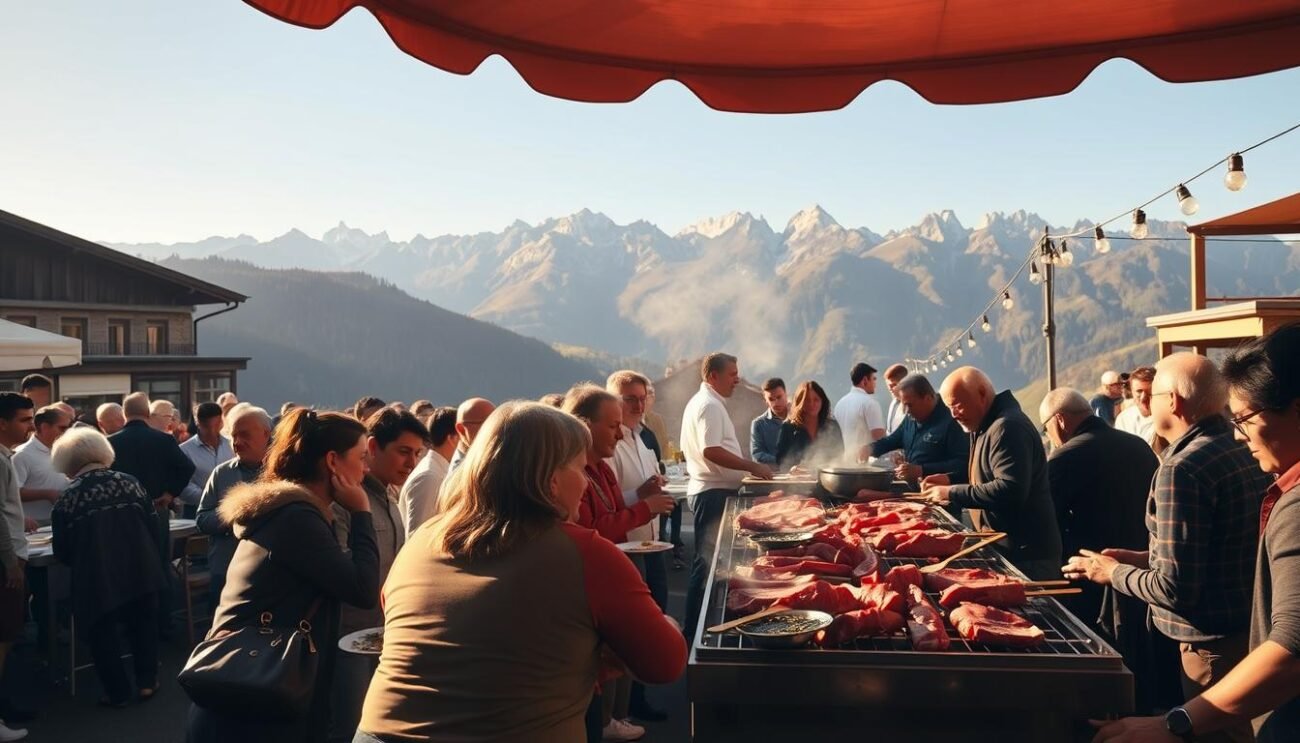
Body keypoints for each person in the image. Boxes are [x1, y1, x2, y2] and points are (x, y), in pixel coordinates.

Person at [355, 402, 686, 743]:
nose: (586, 483)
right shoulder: (584, 553)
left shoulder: (423, 540)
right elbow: (666, 663)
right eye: (579, 468)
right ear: (550, 479)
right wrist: (666, 626)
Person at [1093, 326, 1300, 742]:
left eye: (1246, 420)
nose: (1241, 436)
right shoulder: (1247, 460)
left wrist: (1175, 722)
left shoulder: (1185, 469)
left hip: (1225, 657)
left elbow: (1293, 648)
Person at [186, 408, 379, 743]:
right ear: (332, 461)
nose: (366, 468)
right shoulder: (297, 519)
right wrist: (362, 513)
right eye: (361, 457)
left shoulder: (289, 511)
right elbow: (362, 588)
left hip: (246, 686)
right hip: (260, 695)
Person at [1039, 387, 1160, 704]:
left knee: (1099, 656)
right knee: (1141, 653)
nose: (1049, 435)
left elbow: (1046, 516)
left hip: (1089, 574)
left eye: (1047, 427)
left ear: (1060, 421)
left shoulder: (1066, 456)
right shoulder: (1138, 446)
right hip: (1143, 566)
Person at [50, 428, 166, 709]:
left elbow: (62, 550)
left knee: (102, 635)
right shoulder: (131, 483)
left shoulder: (68, 498)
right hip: (141, 568)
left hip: (97, 577)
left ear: (66, 461)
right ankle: (147, 682)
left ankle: (118, 692)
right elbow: (154, 526)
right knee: (143, 627)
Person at [920, 367, 1061, 580]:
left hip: (1027, 555)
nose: (954, 415)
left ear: (982, 394)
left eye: (957, 405)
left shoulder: (1007, 427)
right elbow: (989, 474)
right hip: (1007, 547)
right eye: (949, 408)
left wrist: (950, 492)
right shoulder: (984, 424)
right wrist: (950, 479)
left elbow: (1010, 489)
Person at [682, 353, 774, 638]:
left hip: (712, 491)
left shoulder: (707, 402)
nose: (737, 379)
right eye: (732, 373)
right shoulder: (709, 405)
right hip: (713, 494)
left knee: (709, 563)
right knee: (707, 564)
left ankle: (697, 628)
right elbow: (711, 450)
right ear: (713, 377)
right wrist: (751, 466)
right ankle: (697, 632)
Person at [605, 371, 675, 726]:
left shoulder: (642, 437)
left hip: (651, 542)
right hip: (627, 546)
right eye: (628, 398)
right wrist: (644, 496)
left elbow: (645, 486)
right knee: (634, 628)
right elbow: (611, 502)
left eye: (641, 397)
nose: (637, 404)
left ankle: (638, 698)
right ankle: (625, 708)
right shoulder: (612, 444)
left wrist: (655, 485)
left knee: (655, 615)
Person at [109, 392, 196, 638]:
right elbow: (186, 467)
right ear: (147, 414)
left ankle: (131, 623)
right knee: (159, 565)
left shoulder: (110, 442)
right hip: (156, 511)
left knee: (126, 568)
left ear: (124, 414)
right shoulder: (163, 440)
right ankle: (163, 622)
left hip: (123, 515)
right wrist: (169, 493)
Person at [335, 408, 425, 634]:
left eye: (417, 454)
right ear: (373, 447)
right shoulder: (346, 500)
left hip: (385, 630)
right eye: (404, 452)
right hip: (348, 636)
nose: (411, 463)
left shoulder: (391, 496)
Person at [195, 405, 272, 610]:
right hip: (226, 573)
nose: (237, 442)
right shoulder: (222, 474)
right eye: (233, 436)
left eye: (244, 435)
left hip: (270, 574)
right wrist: (235, 515)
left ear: (266, 434)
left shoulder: (282, 474)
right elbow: (202, 519)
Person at [0, 394, 33, 741]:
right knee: (4, 638)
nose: (30, 427)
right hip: (5, 561)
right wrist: (11, 561)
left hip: (9, 556)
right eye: (24, 420)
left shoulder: (6, 457)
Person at [871, 374, 968, 487]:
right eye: (904, 405)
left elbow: (963, 464)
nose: (906, 411)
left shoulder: (952, 420)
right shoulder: (911, 417)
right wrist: (869, 449)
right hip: (914, 490)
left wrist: (922, 470)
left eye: (910, 405)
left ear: (927, 398)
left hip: (941, 493)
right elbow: (893, 439)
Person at [397, 406, 458, 537]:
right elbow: (417, 536)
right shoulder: (429, 477)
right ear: (452, 439)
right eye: (462, 435)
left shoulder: (438, 471)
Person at [13, 405, 72, 525]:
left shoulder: (66, 450)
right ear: (44, 427)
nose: (67, 433)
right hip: (35, 525)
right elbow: (12, 492)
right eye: (62, 428)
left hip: (64, 519)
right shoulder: (21, 455)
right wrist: (48, 494)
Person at [179, 403, 233, 520]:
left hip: (230, 507)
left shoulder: (232, 446)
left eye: (217, 425)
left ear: (222, 422)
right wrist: (209, 497)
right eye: (207, 427)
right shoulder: (185, 450)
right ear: (198, 423)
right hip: (196, 511)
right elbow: (182, 485)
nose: (213, 431)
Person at [775, 380, 844, 470]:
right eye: (807, 400)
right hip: (798, 481)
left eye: (816, 400)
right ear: (799, 402)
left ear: (822, 402)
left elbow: (840, 455)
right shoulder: (788, 428)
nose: (811, 404)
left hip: (827, 480)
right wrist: (793, 469)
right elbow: (781, 460)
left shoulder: (832, 426)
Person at [833, 362, 886, 463]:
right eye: (873, 379)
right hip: (864, 466)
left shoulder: (840, 404)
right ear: (865, 380)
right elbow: (879, 437)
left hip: (844, 463)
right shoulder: (870, 403)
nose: (875, 384)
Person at [749, 378, 788, 466]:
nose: (776, 403)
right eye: (771, 399)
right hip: (775, 476)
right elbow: (757, 455)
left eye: (779, 397)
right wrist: (783, 460)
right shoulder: (758, 424)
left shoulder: (800, 417)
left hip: (803, 474)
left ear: (786, 395)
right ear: (766, 401)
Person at [1115, 365, 1158, 445]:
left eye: (1149, 391)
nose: (1143, 397)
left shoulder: (1168, 416)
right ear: (1131, 391)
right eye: (1139, 391)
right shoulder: (1124, 420)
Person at [450, 398, 495, 472]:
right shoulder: (461, 474)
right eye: (487, 423)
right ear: (461, 429)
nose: (494, 430)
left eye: (496, 423)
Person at [883, 363, 910, 436]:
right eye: (888, 386)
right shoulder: (894, 404)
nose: (890, 389)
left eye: (893, 385)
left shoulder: (914, 403)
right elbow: (889, 431)